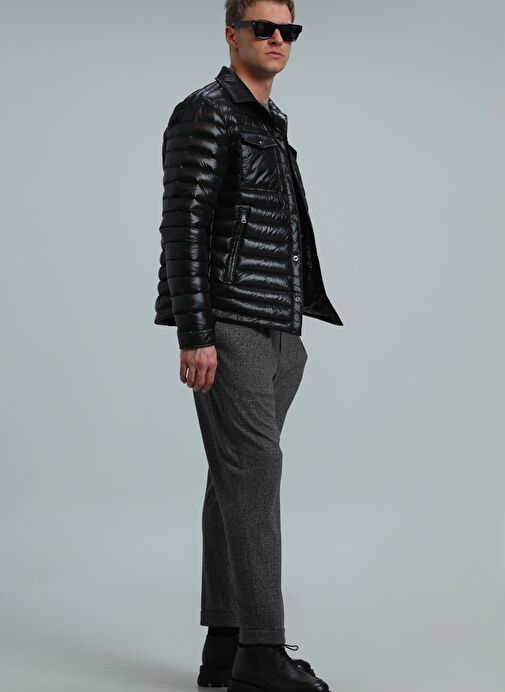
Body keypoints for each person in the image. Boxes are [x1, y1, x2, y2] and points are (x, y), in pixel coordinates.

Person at [154, 2, 343, 690]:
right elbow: (183, 225)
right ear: (232, 34)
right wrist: (195, 333)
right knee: (256, 474)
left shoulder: (268, 120)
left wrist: (293, 330)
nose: (276, 39)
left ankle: (226, 641)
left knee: (235, 477)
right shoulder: (205, 111)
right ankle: (262, 652)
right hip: (231, 325)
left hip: (279, 330)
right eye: (263, 28)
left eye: (287, 30)